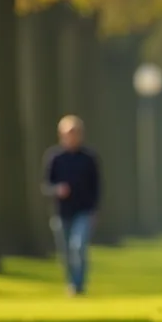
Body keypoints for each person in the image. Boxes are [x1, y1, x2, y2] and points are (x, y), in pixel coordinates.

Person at [42, 115, 101, 296]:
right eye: (69, 133)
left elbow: (97, 186)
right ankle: (70, 281)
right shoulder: (54, 158)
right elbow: (46, 185)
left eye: (76, 133)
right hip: (62, 212)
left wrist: (94, 211)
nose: (72, 136)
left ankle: (79, 285)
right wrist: (57, 189)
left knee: (78, 246)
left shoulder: (89, 159)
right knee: (66, 252)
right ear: (61, 135)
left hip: (84, 212)